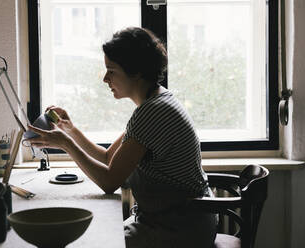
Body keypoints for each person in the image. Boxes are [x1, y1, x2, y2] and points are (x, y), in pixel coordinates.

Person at [26, 27, 217, 248]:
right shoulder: (155, 102)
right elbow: (109, 159)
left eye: (112, 70)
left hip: (179, 229)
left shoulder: (153, 112)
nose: (105, 78)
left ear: (135, 72)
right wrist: (71, 131)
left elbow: (109, 182)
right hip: (178, 221)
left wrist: (66, 144)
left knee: (90, 241)